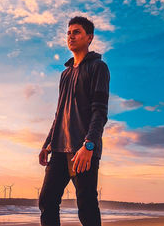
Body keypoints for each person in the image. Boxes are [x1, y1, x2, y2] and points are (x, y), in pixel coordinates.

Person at [38, 16, 110, 226]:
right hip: (59, 149)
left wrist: (89, 146)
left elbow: (100, 112)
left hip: (82, 151)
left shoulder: (98, 67)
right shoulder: (65, 74)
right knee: (47, 201)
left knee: (86, 207)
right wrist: (47, 144)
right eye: (68, 33)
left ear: (89, 38)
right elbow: (59, 113)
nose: (71, 36)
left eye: (76, 32)